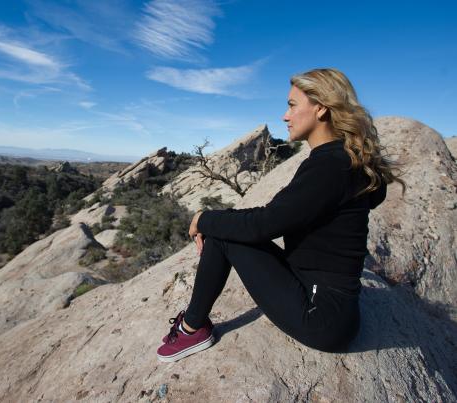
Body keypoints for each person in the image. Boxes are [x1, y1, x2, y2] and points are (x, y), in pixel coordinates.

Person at [156, 68, 406, 362]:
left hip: (320, 317)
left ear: (321, 107)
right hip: (328, 302)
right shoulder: (345, 159)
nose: (285, 116)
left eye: (291, 105)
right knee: (228, 225)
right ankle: (194, 323)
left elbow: (264, 225)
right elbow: (276, 215)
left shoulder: (330, 166)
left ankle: (192, 328)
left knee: (223, 234)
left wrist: (203, 219)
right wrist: (217, 218)